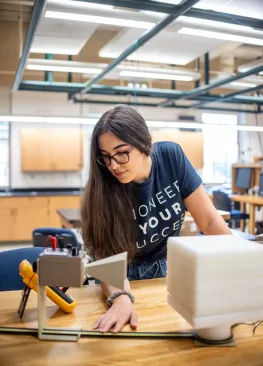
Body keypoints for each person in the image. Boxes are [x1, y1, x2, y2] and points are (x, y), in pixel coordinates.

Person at [81, 105, 231, 334]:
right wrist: (121, 298)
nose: (113, 165)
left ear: (144, 144)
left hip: (166, 271)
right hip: (122, 275)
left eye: (121, 152)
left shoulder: (171, 158)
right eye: (106, 157)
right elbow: (108, 257)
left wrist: (240, 267)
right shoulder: (101, 189)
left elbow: (209, 221)